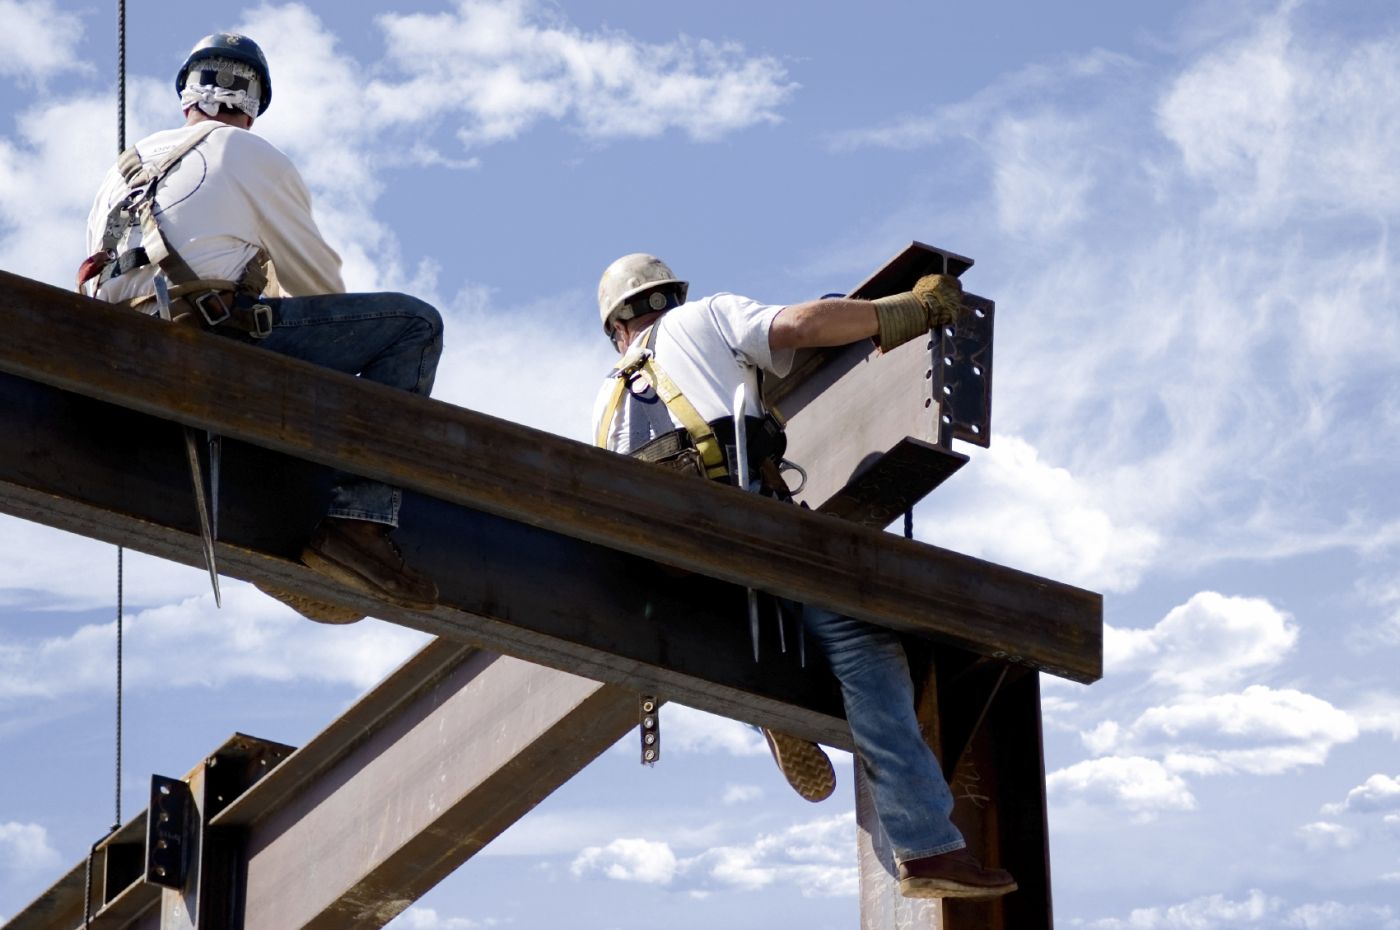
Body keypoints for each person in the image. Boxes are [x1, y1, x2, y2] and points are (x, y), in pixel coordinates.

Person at [591, 253, 1016, 900]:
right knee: (861, 645)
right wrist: (906, 311)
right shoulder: (702, 318)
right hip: (737, 526)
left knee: (756, 631)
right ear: (670, 296)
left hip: (659, 574)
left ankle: (766, 699)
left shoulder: (607, 394)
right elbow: (799, 325)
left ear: (617, 327)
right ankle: (928, 845)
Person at [80, 33, 441, 618]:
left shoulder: (122, 171)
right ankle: (358, 527)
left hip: (119, 348)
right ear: (253, 105)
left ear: (186, 96)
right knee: (412, 326)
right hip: (204, 341)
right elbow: (317, 284)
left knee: (266, 344)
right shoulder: (249, 154)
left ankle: (272, 518)